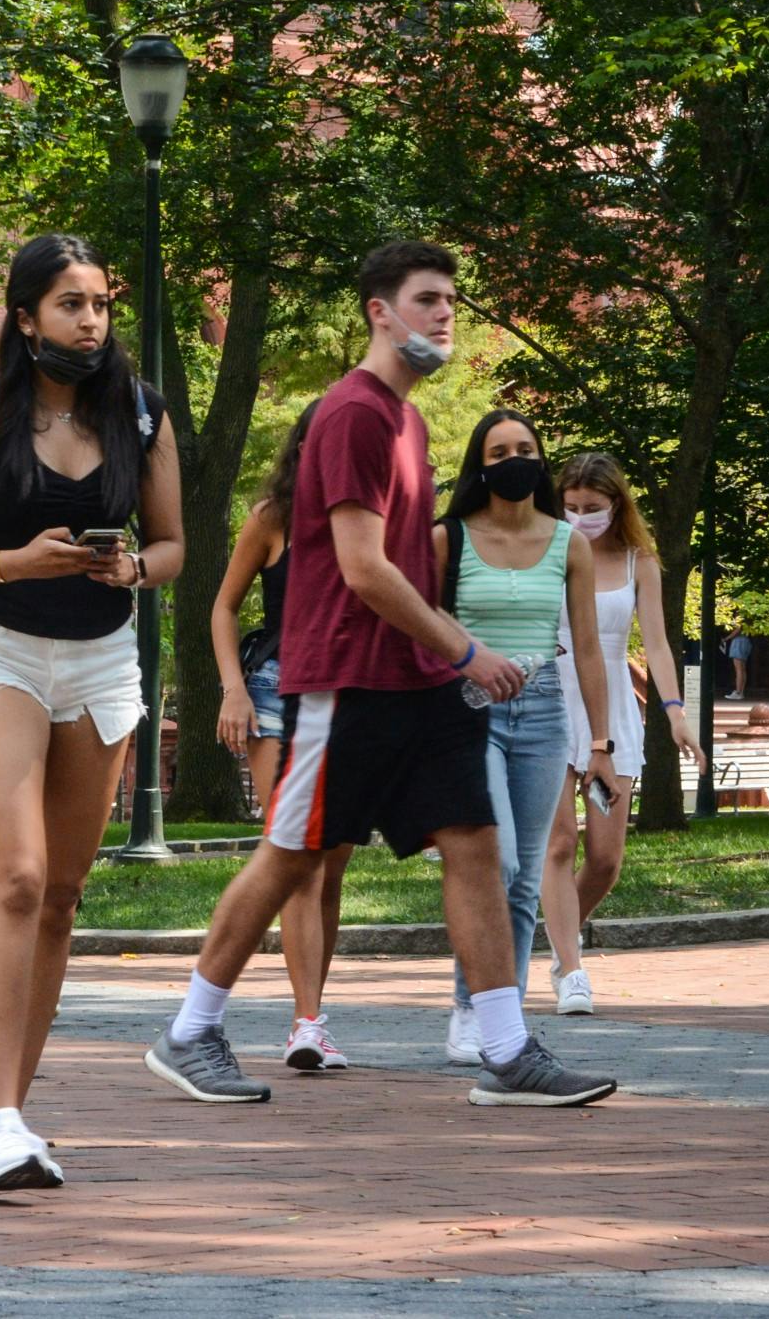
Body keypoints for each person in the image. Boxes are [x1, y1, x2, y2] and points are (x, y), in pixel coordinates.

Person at [142, 240, 615, 1116]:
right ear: (380, 312)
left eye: (451, 302)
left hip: (418, 683)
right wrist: (468, 649)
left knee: (475, 844)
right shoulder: (354, 413)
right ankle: (189, 1029)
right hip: (347, 683)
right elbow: (363, 569)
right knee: (292, 857)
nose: (446, 315)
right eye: (429, 299)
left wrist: (445, 659)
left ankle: (506, 1049)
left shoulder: (409, 420)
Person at [0, 233, 184, 1192]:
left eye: (102, 303)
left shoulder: (140, 416)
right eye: (71, 303)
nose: (92, 320)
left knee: (64, 895)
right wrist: (13, 563)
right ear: (26, 318)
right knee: (18, 877)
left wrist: (132, 567)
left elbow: (175, 545)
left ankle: (16, 1117)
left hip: (103, 661)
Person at [432, 410, 617, 1063]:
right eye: (500, 449)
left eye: (526, 448)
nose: (515, 458)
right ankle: (467, 1006)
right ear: (480, 465)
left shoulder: (570, 542)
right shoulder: (447, 537)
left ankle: (498, 1016)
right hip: (467, 711)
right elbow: (421, 627)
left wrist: (601, 743)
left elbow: (589, 649)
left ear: (541, 460)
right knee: (495, 861)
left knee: (520, 878)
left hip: (542, 712)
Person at [209, 401, 354, 1072]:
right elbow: (223, 606)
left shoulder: (376, 519)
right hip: (277, 690)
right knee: (298, 855)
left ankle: (313, 1011)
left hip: (356, 695)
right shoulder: (272, 519)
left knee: (331, 869)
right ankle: (306, 1021)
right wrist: (233, 687)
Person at [538, 454, 705, 1014]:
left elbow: (656, 644)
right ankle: (572, 967)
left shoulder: (640, 562)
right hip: (550, 700)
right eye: (571, 506)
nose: (581, 517)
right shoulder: (544, 550)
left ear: (617, 506)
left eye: (594, 508)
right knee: (559, 842)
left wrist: (676, 712)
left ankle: (561, 939)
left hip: (610, 713)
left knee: (606, 858)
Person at [721, 626, 751, 700]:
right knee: (742, 669)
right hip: (745, 641)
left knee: (739, 669)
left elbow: (738, 629)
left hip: (739, 642)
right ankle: (741, 692)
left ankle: (738, 692)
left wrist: (726, 638)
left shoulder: (740, 617)